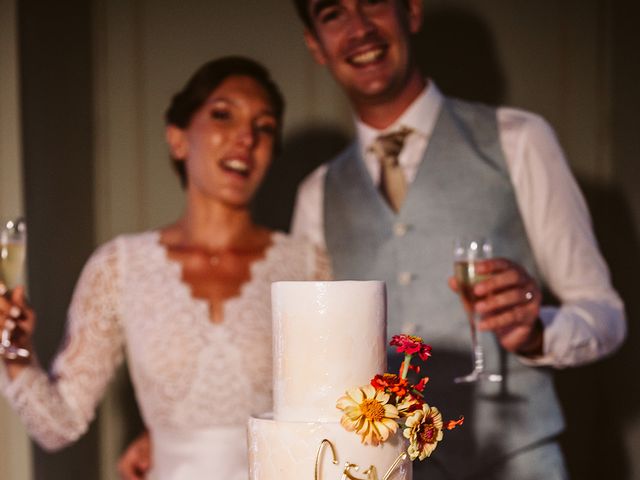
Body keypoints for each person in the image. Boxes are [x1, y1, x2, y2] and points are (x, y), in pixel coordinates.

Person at [287, 0, 625, 479]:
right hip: (386, 467)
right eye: (333, 14)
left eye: (373, 3)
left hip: (519, 462)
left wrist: (536, 331)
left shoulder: (519, 139)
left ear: (413, 13)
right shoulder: (316, 194)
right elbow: (312, 359)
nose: (359, 28)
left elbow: (605, 313)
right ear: (315, 45)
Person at [0, 56, 328, 480]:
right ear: (177, 139)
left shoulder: (306, 264)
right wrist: (16, 355)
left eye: (264, 127)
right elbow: (58, 425)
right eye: (223, 115)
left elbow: (333, 410)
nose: (246, 137)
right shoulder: (119, 267)